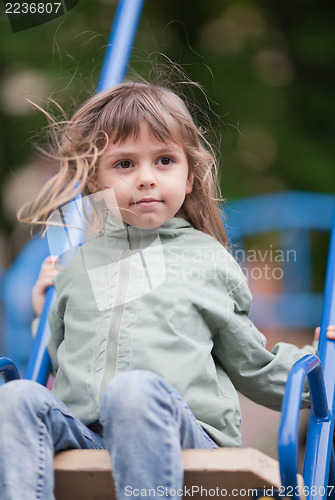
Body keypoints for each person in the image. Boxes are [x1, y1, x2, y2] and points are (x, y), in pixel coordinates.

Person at [0, 81, 334, 500]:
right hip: (88, 436)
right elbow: (59, 362)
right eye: (124, 164)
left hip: (184, 432)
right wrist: (40, 318)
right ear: (93, 180)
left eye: (164, 160)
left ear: (189, 175)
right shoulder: (80, 265)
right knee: (13, 398)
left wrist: (321, 369)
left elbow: (252, 363)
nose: (145, 179)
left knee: (131, 392)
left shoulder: (206, 259)